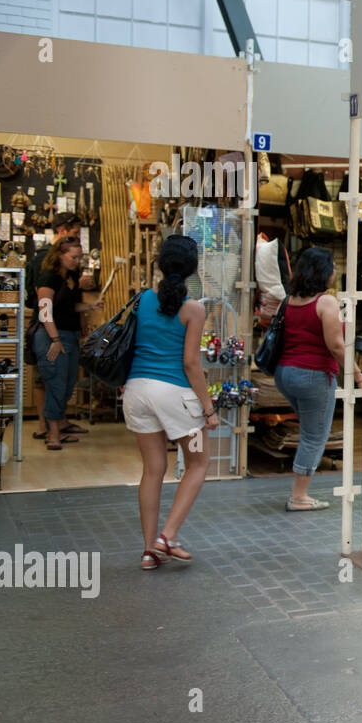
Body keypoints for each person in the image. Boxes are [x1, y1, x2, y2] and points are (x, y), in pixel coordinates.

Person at [123, 235, 215, 570]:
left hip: (136, 392)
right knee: (199, 463)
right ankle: (168, 536)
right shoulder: (194, 309)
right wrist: (208, 408)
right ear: (193, 268)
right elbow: (191, 363)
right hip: (176, 398)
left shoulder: (142, 300)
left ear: (160, 263)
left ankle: (150, 550)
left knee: (153, 470)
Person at [275, 247, 362, 511]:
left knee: (308, 432)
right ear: (323, 272)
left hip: (285, 373)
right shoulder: (325, 302)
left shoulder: (289, 300)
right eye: (333, 267)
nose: (335, 272)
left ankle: (299, 491)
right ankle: (299, 496)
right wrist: (359, 377)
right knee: (314, 436)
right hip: (313, 375)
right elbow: (336, 346)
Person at [27, 213, 95, 439]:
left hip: (68, 332)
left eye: (79, 258)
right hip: (52, 335)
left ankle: (57, 426)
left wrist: (89, 309)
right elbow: (45, 311)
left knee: (66, 383)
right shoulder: (49, 277)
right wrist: (55, 340)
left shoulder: (71, 277)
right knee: (55, 381)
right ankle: (52, 433)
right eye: (74, 258)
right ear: (62, 255)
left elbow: (69, 305)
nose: (77, 262)